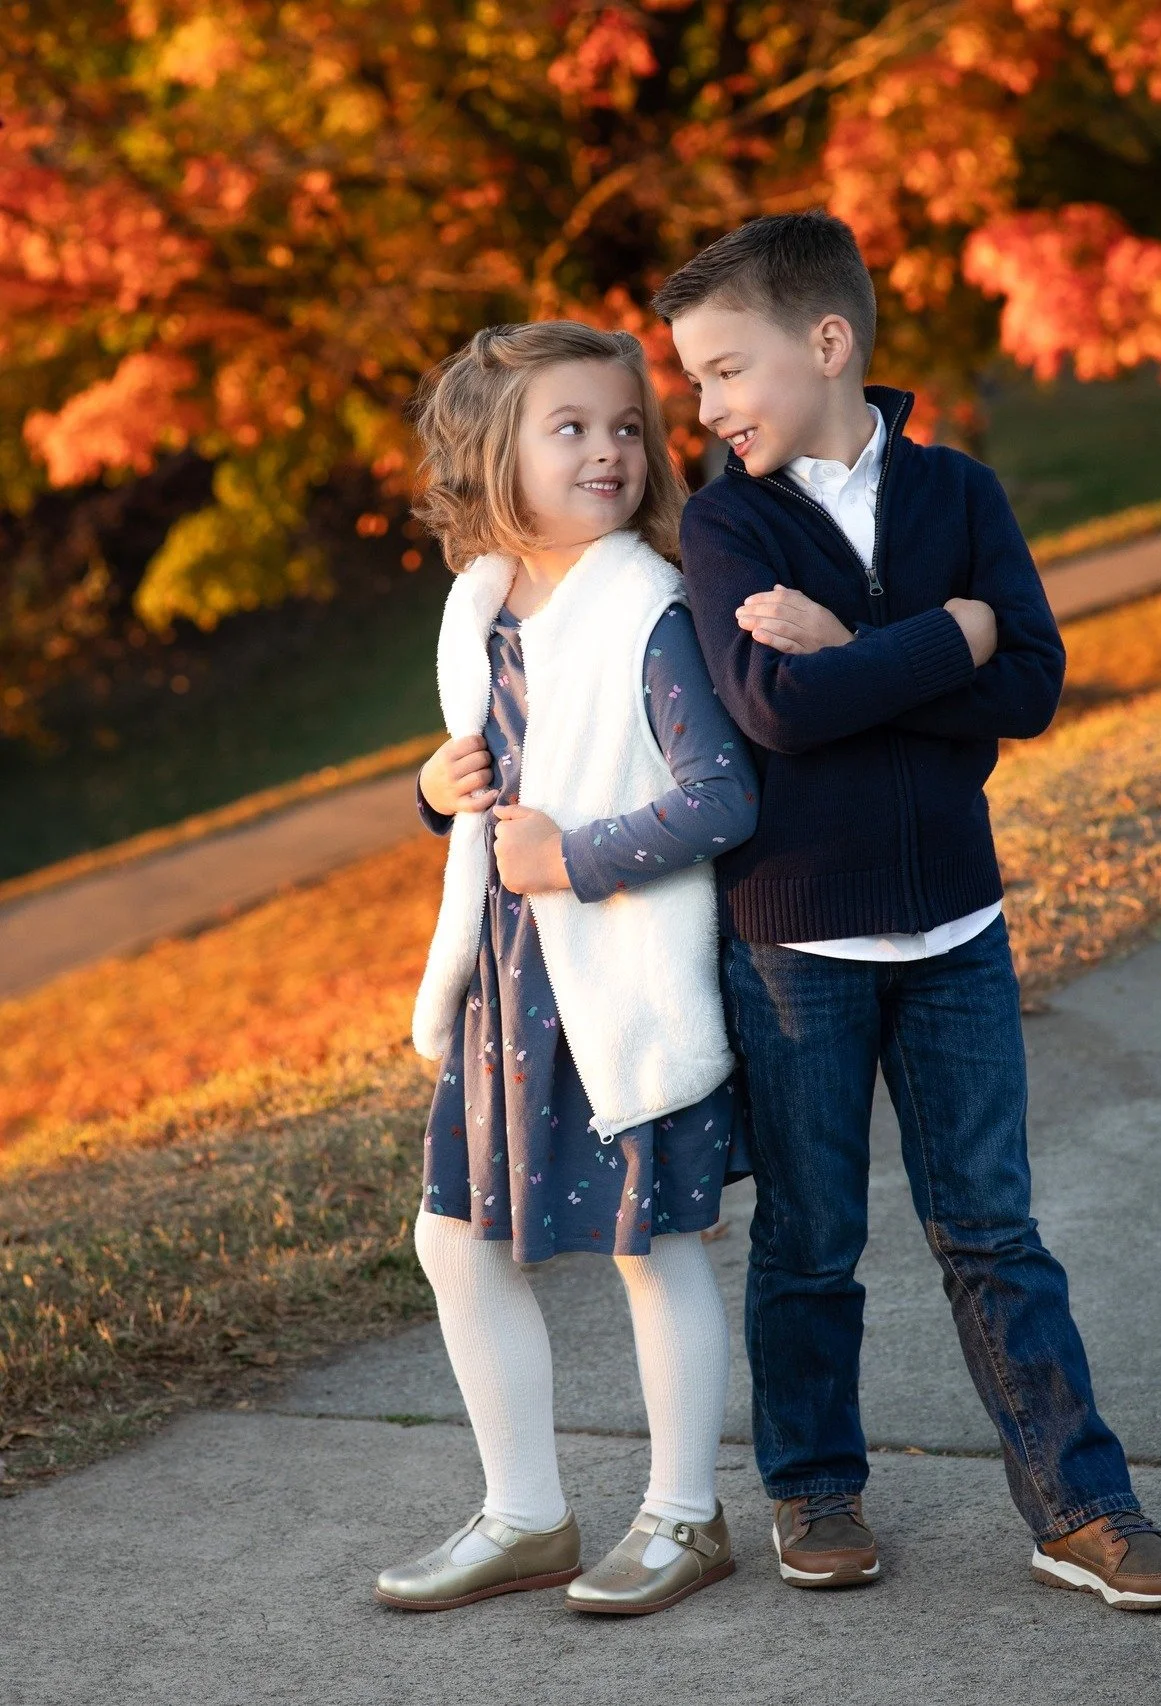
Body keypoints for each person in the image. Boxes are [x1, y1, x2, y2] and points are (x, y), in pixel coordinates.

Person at [651, 212, 1161, 1611]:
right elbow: (775, 710)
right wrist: (934, 637)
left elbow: (1027, 683)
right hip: (793, 945)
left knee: (994, 1230)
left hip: (958, 928)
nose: (707, 409)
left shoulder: (960, 492)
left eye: (726, 371)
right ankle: (814, 1487)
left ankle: (1083, 1504)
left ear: (827, 343)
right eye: (696, 383)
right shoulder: (723, 524)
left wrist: (860, 651)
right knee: (812, 1234)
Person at [375, 320, 757, 1618]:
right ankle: (527, 1509)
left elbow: (722, 798)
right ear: (494, 454)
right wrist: (434, 790)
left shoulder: (645, 609)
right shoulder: (484, 604)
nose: (608, 449)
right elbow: (486, 782)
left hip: (612, 989)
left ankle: (686, 1515)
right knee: (454, 1237)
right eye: (571, 426)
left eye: (626, 426)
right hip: (505, 990)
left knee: (653, 1246)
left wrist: (576, 856)